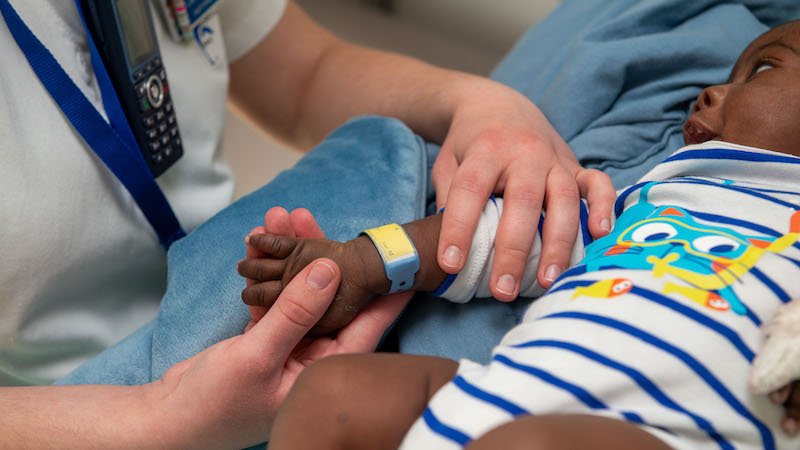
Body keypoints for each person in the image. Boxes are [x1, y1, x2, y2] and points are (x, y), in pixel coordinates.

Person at [0, 0, 614, 446]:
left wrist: (480, 103)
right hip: (78, 405)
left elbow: (306, 73)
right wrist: (157, 416)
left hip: (242, 271)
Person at [259, 20, 800, 449]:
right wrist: (358, 264)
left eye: (762, 70)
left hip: (667, 431)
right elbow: (499, 236)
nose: (711, 91)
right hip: (508, 390)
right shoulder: (642, 201)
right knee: (333, 393)